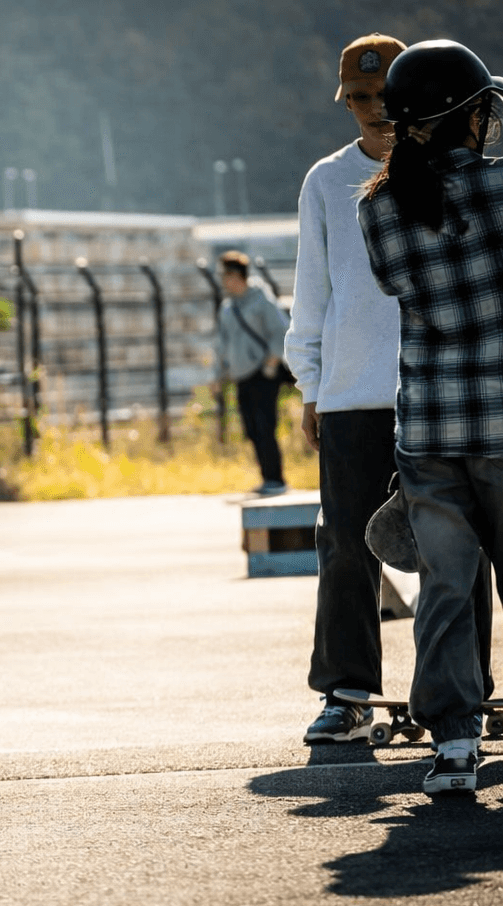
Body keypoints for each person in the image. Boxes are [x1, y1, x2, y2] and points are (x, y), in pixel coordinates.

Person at [358, 39, 503, 794]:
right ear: (466, 115)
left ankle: (453, 745)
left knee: (447, 589)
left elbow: (399, 286)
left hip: (429, 431)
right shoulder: (499, 189)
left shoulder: (379, 207)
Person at [285, 34, 407, 744]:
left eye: (385, 96)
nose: (372, 110)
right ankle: (348, 692)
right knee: (346, 548)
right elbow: (314, 293)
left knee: (460, 549)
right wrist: (310, 386)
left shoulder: (453, 171)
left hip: (436, 391)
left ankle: (462, 691)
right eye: (359, 99)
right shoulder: (326, 181)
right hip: (351, 396)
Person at [216, 250, 291, 497]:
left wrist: (270, 364)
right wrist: (219, 375)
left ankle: (276, 478)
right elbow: (222, 345)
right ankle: (266, 477)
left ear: (236, 275)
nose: (222, 280)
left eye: (225, 274)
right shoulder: (227, 308)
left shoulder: (261, 300)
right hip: (241, 376)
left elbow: (280, 331)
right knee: (251, 428)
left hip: (262, 373)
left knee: (264, 425)